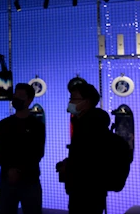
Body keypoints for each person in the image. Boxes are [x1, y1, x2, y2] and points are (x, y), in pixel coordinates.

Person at [56, 83, 110, 214]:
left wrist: (68, 168)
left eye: (74, 99)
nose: (70, 102)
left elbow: (90, 162)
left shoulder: (90, 127)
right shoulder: (85, 123)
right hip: (84, 191)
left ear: (86, 102)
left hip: (87, 193)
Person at [0, 83, 45, 214]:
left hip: (30, 180)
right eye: (15, 95)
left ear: (29, 100)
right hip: (7, 181)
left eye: (20, 96)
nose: (16, 98)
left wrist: (18, 170)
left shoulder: (37, 126)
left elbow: (37, 152)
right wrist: (10, 170)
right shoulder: (4, 124)